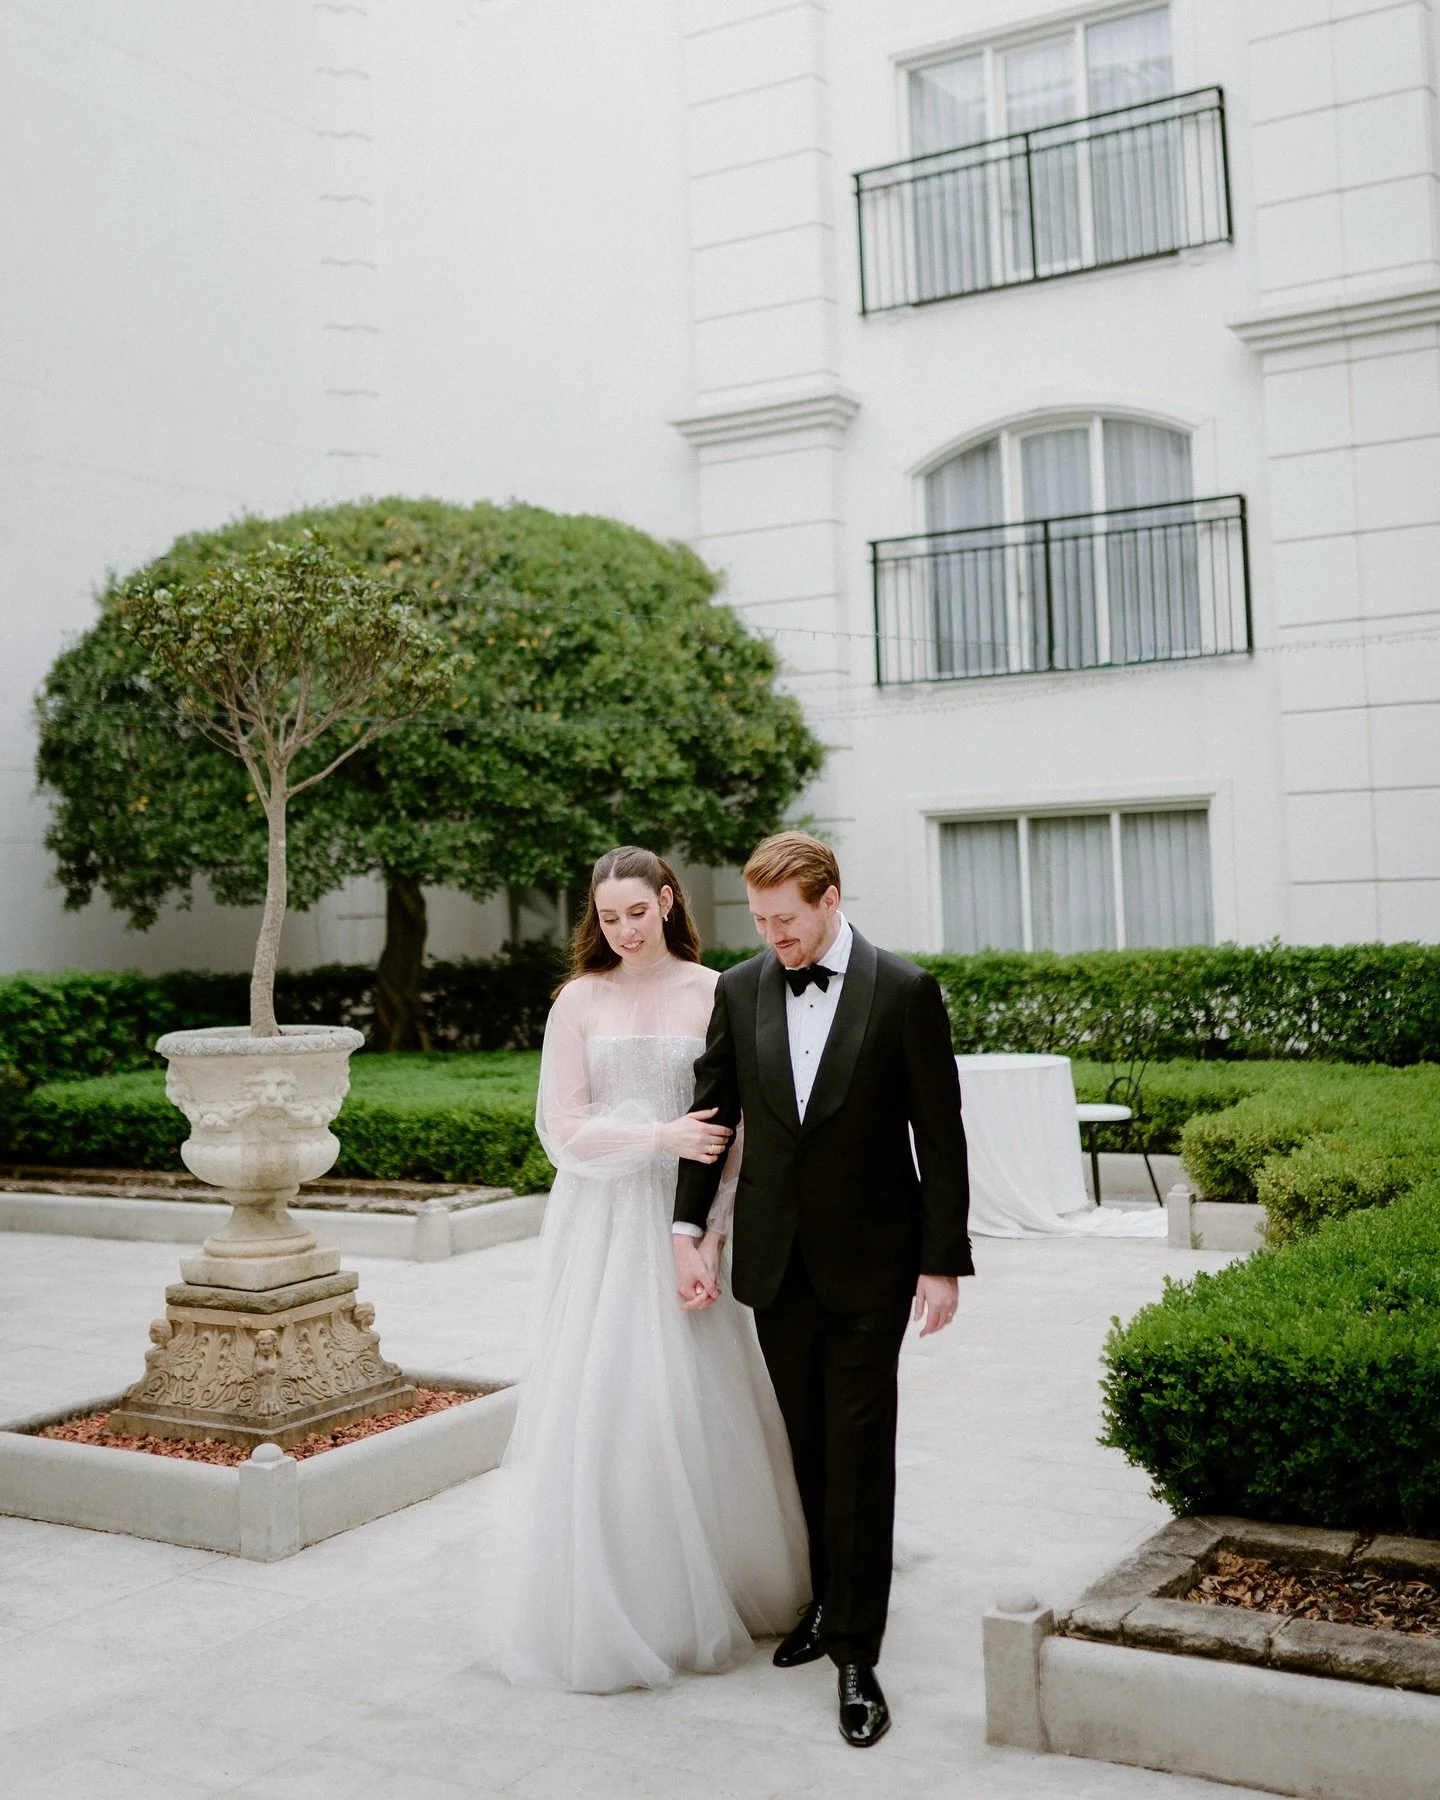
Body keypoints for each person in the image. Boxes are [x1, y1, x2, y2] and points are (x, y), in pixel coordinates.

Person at [673, 832, 972, 1748]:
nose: (774, 939)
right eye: (761, 923)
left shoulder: (906, 991)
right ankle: (824, 1598)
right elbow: (713, 1118)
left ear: (830, 898)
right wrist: (689, 1229)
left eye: (788, 922)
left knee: (858, 1445)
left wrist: (942, 1260)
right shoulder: (740, 987)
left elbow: (941, 1134)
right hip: (775, 1262)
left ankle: (855, 1647)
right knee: (804, 1442)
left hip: (875, 1263)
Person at [499, 845, 808, 1693]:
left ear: (668, 902)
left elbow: (739, 1130)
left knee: (703, 1396)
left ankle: (729, 1569)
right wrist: (658, 1136)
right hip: (602, 1225)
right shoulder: (579, 1001)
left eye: (638, 911)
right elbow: (565, 1129)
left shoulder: (716, 992)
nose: (624, 930)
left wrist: (711, 1235)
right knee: (612, 1400)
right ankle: (621, 1592)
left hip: (692, 1218)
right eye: (608, 918)